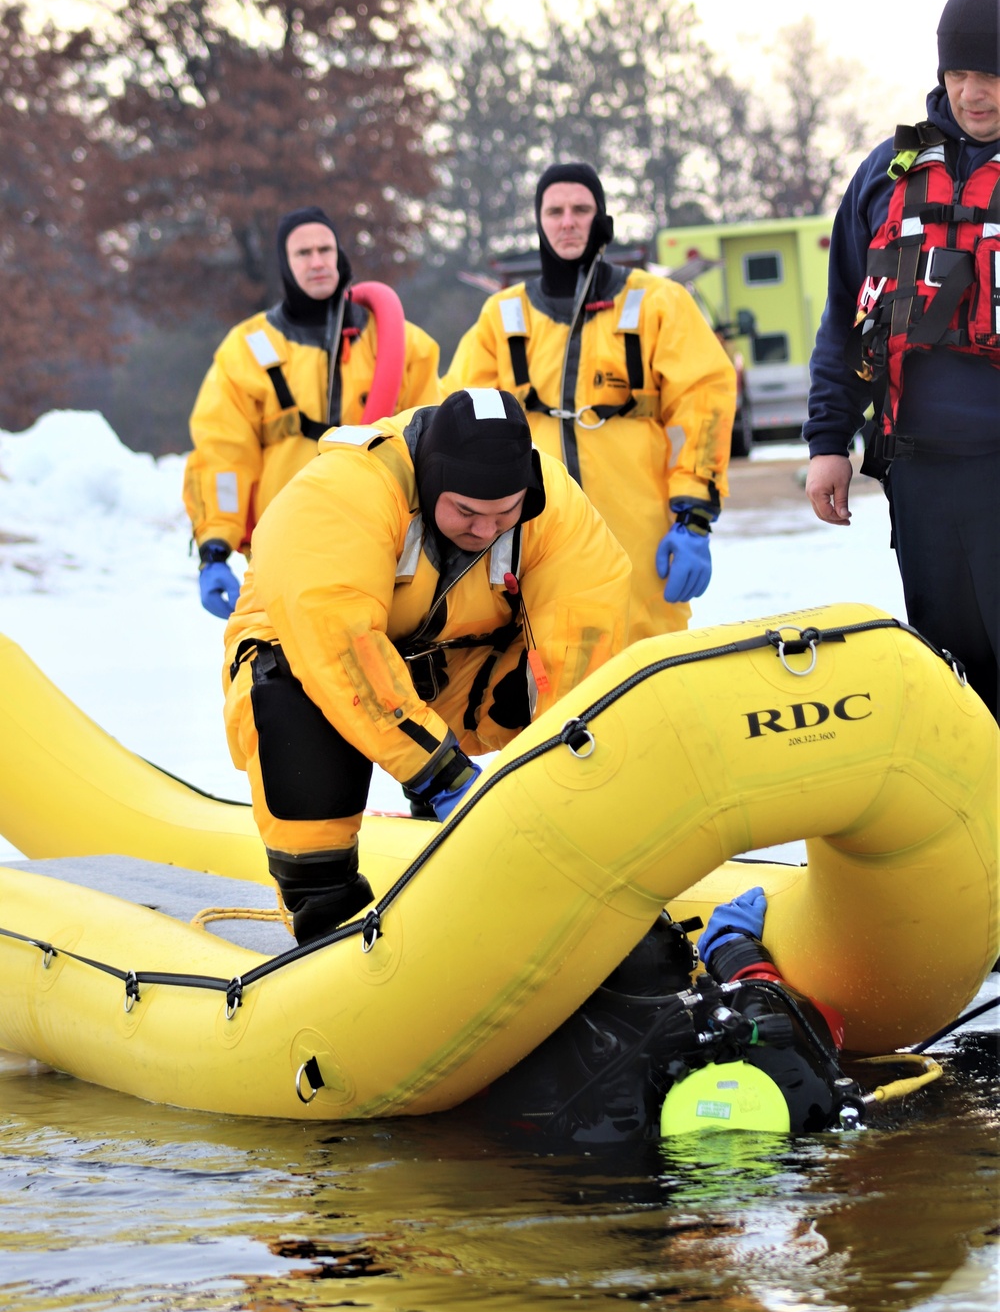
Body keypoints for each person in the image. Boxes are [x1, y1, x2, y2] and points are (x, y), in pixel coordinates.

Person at [223, 387, 632, 944]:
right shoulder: (345, 493)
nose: (487, 531)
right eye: (466, 512)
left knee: (558, 688)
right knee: (295, 706)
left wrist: (562, 775)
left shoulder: (552, 506)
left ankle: (483, 857)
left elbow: (585, 636)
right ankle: (323, 900)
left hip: (443, 664)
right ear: (433, 482)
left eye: (504, 514)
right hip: (309, 658)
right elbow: (339, 651)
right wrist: (442, 774)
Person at [804, 0, 1000, 719]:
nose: (971, 93)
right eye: (958, 73)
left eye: (989, 75)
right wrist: (829, 438)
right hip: (920, 482)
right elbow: (845, 320)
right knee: (952, 692)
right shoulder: (886, 175)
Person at [444, 163, 736, 643]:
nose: (568, 222)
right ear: (539, 222)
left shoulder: (659, 302)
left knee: (649, 668)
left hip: (641, 534)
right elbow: (454, 415)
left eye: (581, 209)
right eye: (554, 211)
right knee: (544, 667)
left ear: (601, 220)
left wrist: (694, 520)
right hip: (533, 535)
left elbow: (703, 407)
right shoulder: (502, 317)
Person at [184, 206, 443, 618]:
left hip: (382, 544)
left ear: (340, 255)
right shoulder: (246, 349)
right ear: (285, 266)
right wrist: (214, 549)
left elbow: (433, 440)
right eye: (303, 253)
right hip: (282, 543)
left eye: (325, 249)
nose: (318, 261)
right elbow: (223, 454)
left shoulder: (404, 345)